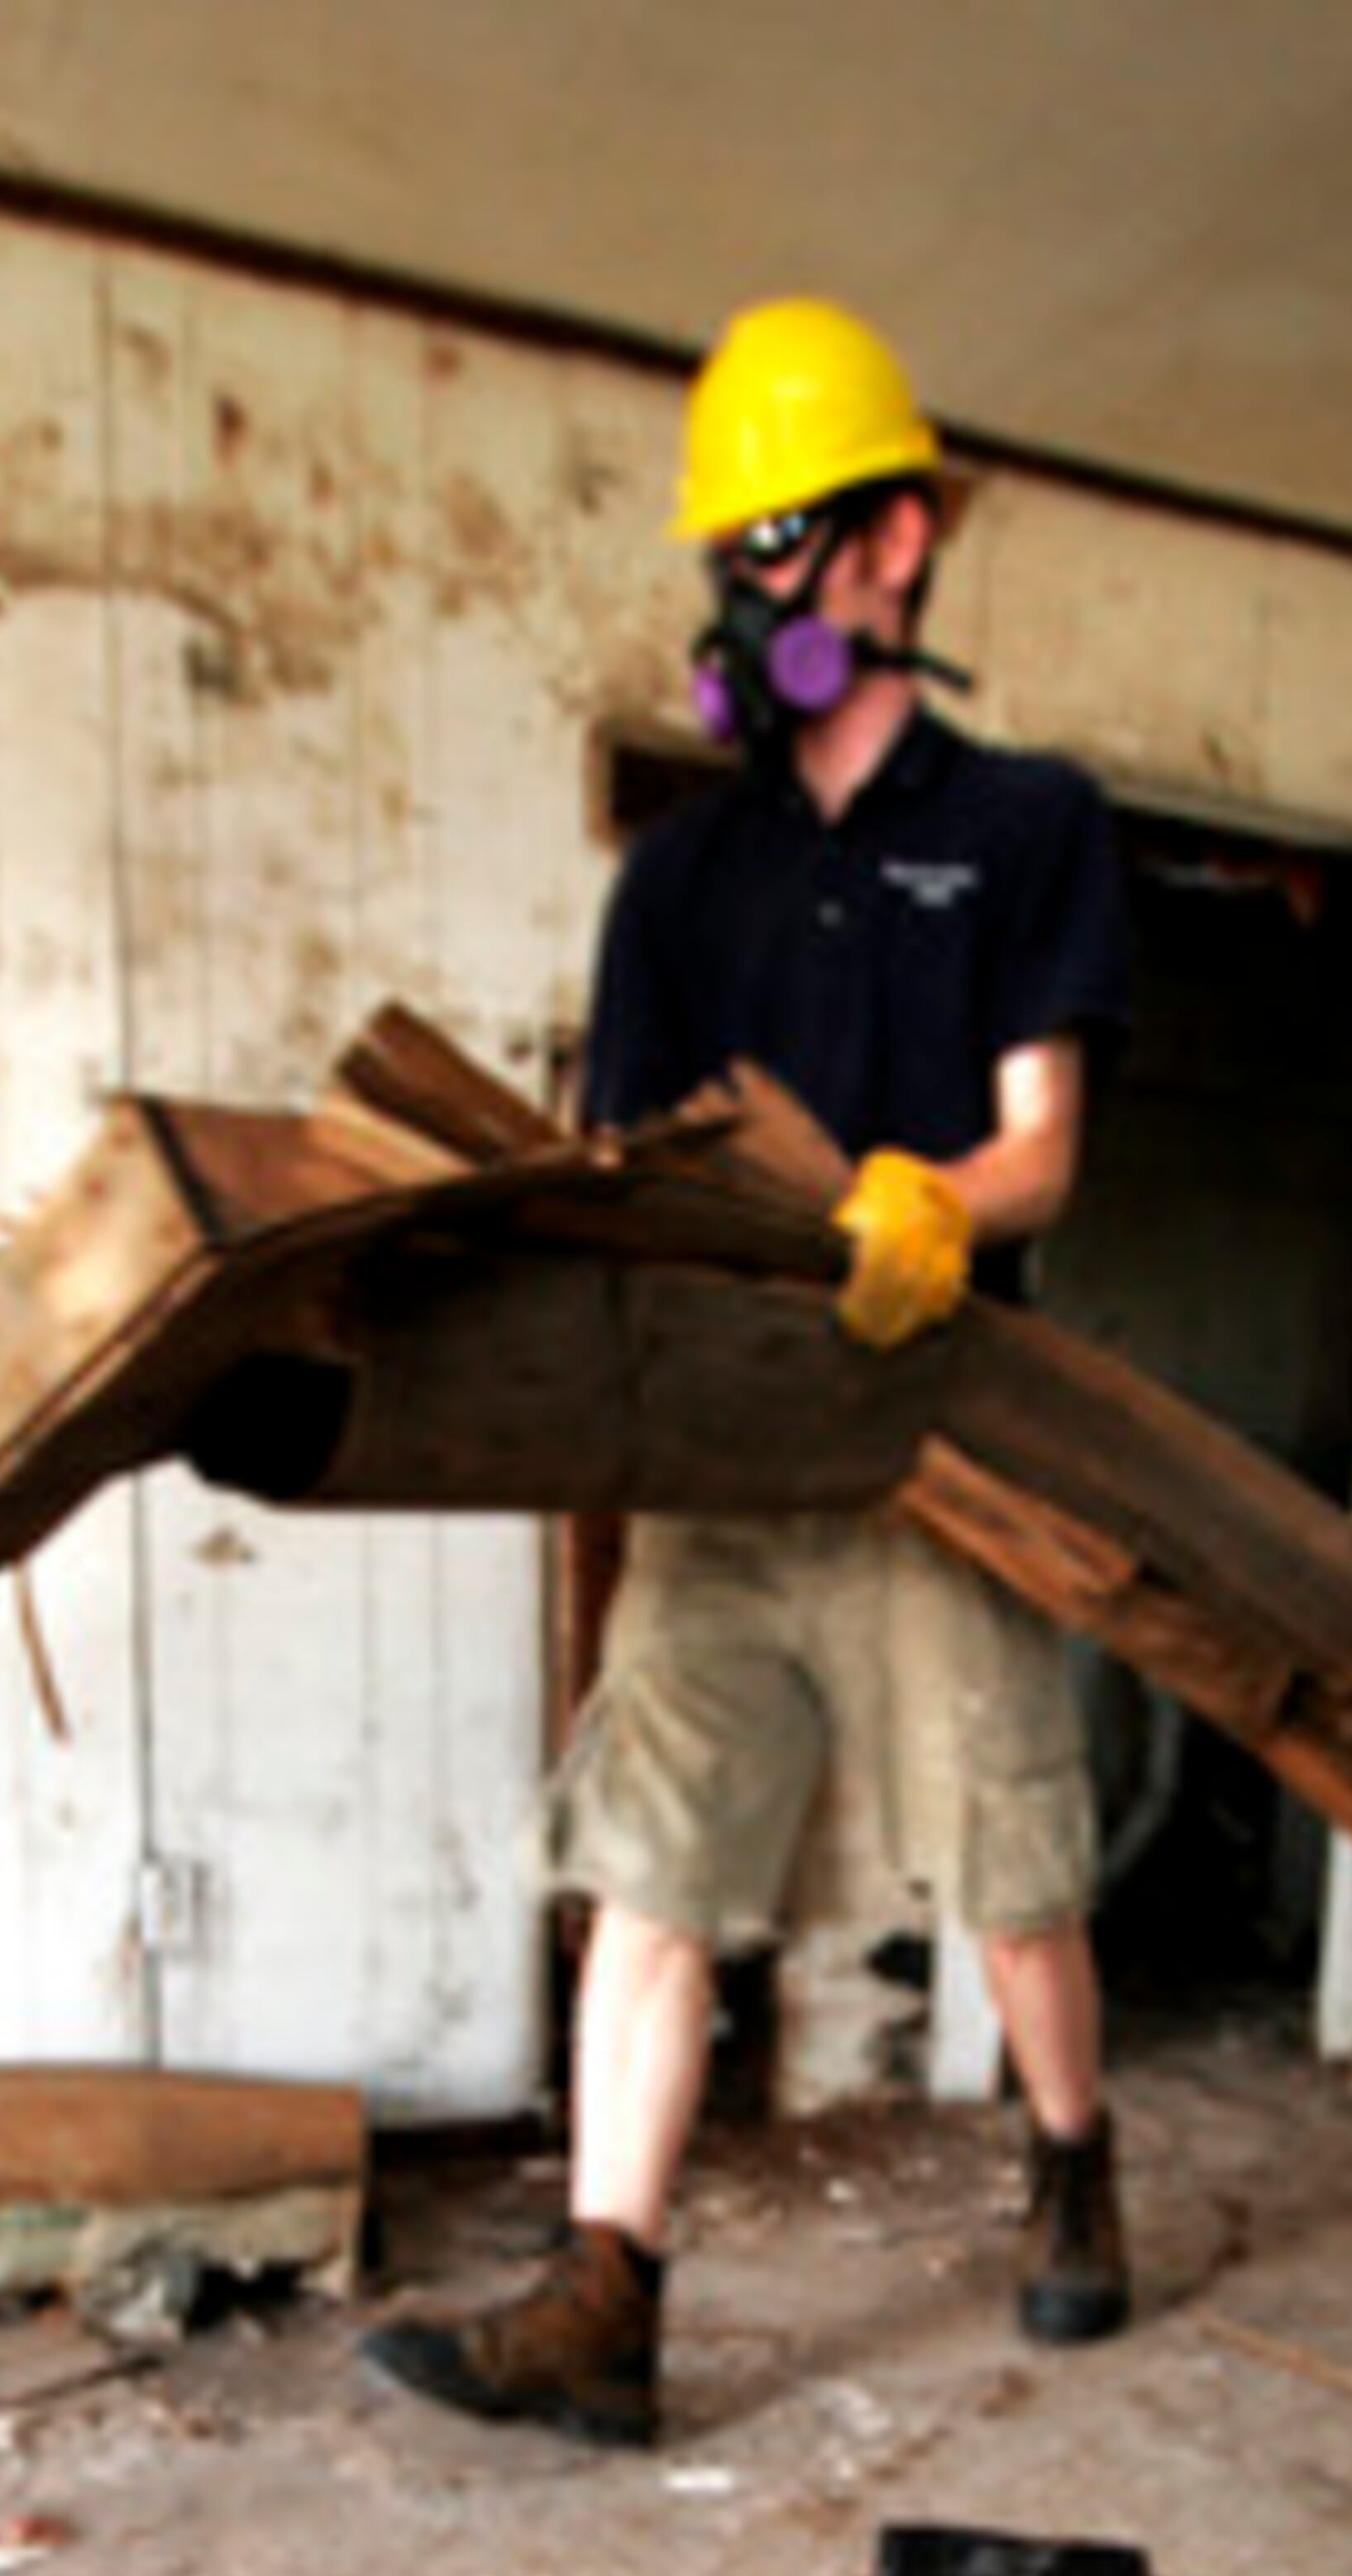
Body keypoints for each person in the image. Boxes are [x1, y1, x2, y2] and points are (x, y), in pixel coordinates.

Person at [365, 295, 1135, 2450]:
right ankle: (608, 2296)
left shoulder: (1027, 822)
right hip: (721, 1442)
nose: (754, 580)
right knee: (656, 1865)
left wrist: (932, 1209)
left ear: (902, 541)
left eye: (790, 534)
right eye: (737, 542)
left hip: (938, 1431)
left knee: (1011, 1859)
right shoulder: (681, 875)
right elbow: (636, 1159)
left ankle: (1071, 2159)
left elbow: (1045, 1140)